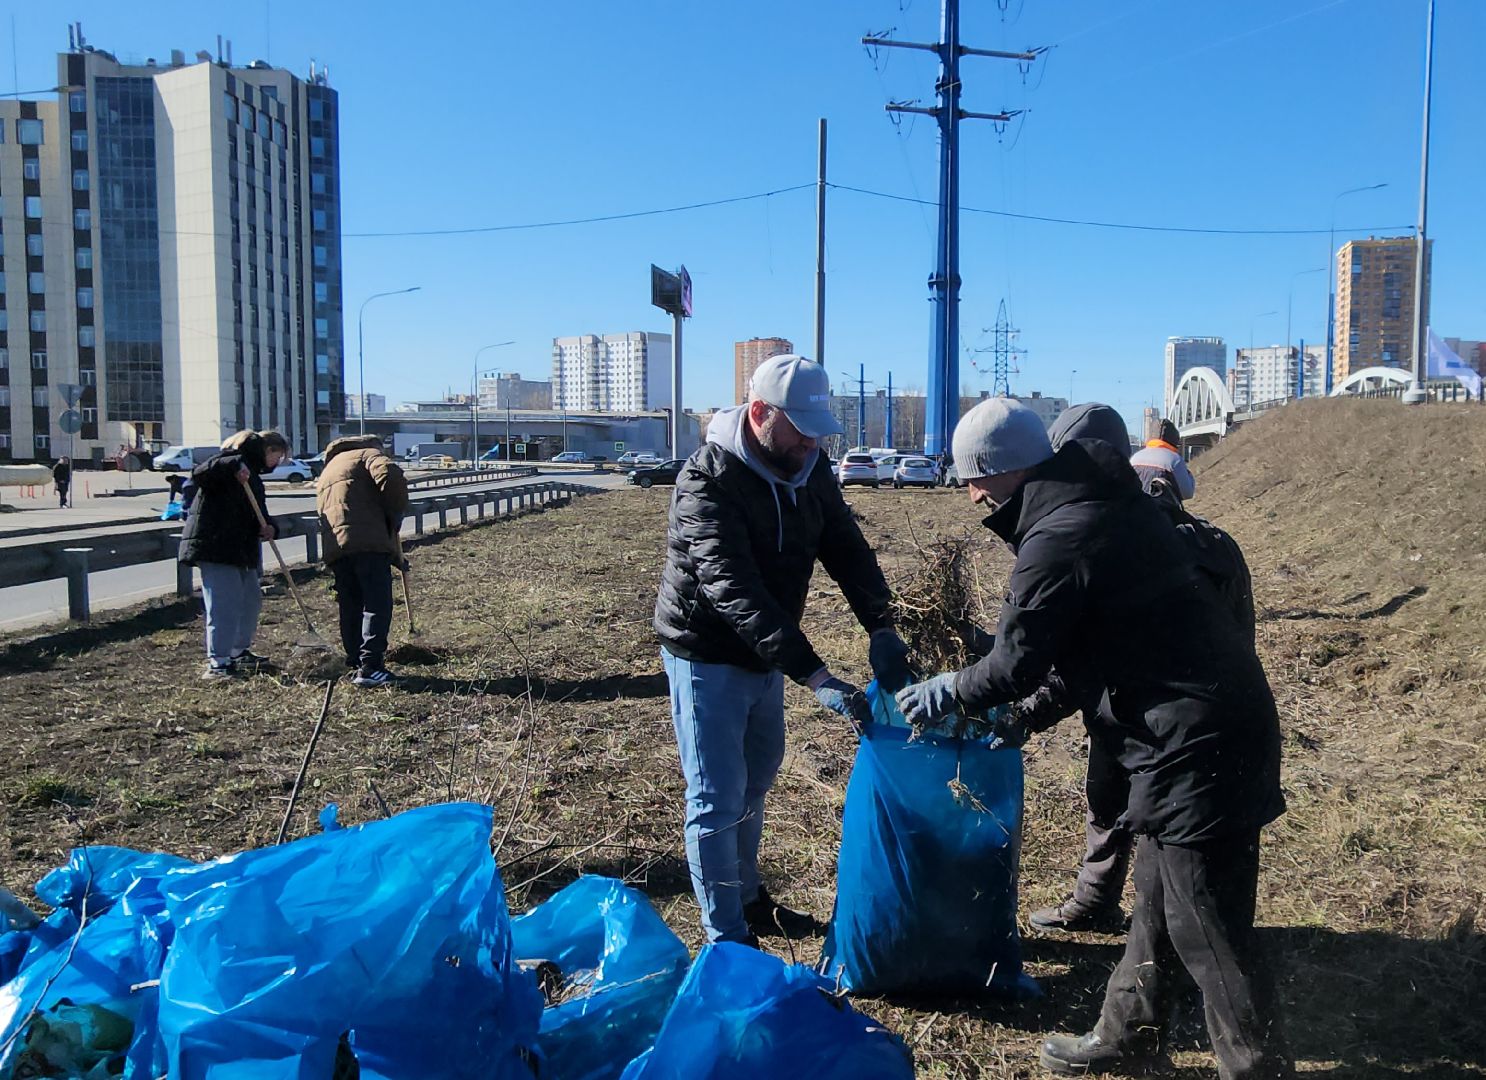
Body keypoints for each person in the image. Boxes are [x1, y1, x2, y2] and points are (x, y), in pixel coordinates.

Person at [896, 398, 1290, 1080]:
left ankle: (1258, 1069)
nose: (969, 494)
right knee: (1160, 901)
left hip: (1195, 746)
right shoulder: (1108, 507)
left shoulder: (1057, 538)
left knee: (1210, 931)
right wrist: (1025, 719)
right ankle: (1130, 1035)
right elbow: (1090, 654)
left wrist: (952, 689)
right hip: (1208, 727)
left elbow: (1015, 664)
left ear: (1004, 470)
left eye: (974, 478)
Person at [654, 354, 913, 946]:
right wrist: (816, 675)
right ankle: (726, 938)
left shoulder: (810, 465)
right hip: (707, 652)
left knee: (757, 777)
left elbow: (846, 546)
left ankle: (749, 900)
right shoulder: (707, 479)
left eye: (818, 430)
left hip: (767, 655)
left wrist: (881, 626)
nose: (811, 443)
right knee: (715, 797)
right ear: (760, 412)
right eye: (800, 428)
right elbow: (733, 592)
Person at [178, 431, 288, 679]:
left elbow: (257, 510)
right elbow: (201, 472)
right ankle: (218, 663)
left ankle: (238, 652)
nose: (278, 462)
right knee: (223, 605)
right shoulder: (228, 463)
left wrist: (270, 527)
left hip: (241, 548)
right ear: (268, 450)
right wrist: (234, 463)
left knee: (250, 600)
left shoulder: (252, 476)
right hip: (218, 547)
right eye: (278, 456)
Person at [317, 435, 409, 689]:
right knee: (376, 602)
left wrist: (393, 555)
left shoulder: (330, 468)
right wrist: (396, 511)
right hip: (367, 544)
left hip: (337, 547)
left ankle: (356, 661)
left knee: (351, 603)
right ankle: (372, 666)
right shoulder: (367, 455)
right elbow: (392, 474)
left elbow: (354, 510)